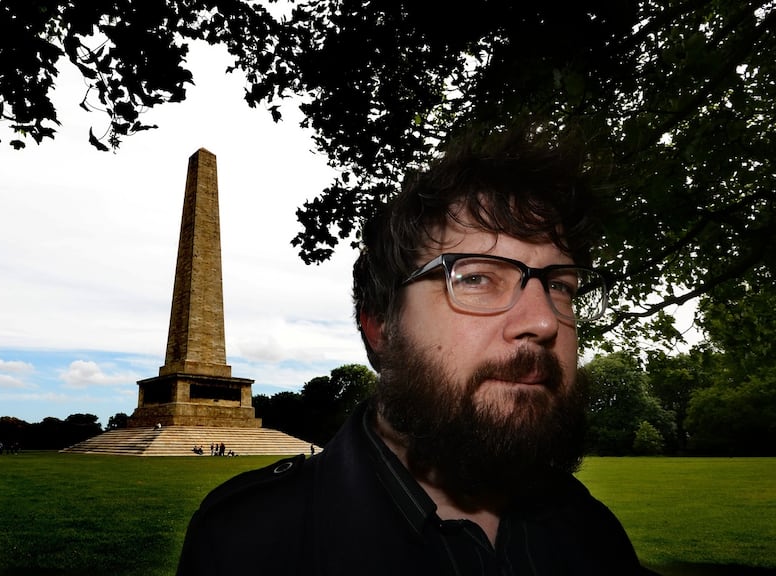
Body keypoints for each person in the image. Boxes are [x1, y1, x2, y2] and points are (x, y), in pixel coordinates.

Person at [177, 127, 658, 575]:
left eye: (559, 285)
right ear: (381, 324)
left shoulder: (594, 531)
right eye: (475, 278)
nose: (543, 320)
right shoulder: (247, 544)